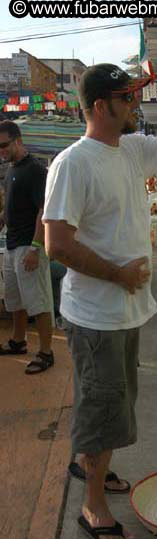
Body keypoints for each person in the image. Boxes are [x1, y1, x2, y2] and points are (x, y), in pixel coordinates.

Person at [43, 50, 157, 539]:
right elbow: (57, 245)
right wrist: (117, 274)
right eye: (125, 97)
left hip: (128, 310)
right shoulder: (72, 164)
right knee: (105, 408)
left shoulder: (130, 149)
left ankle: (89, 464)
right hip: (96, 315)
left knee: (109, 402)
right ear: (98, 106)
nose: (134, 102)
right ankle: (93, 507)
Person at [0, 121, 55, 374]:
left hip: (27, 246)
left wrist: (35, 247)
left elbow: (44, 210)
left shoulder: (35, 170)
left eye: (4, 145)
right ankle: (18, 341)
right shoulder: (11, 169)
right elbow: (10, 208)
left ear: (18, 141)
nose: (1, 150)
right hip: (11, 244)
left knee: (38, 302)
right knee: (15, 301)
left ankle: (46, 352)